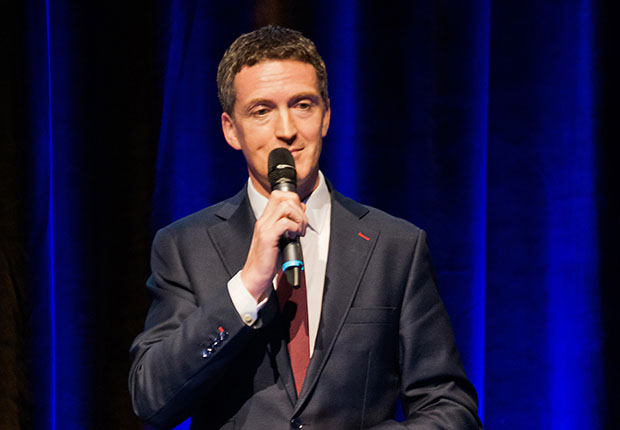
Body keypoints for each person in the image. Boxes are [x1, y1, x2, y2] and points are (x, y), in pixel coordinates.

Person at [129, 25, 482, 429]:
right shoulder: (185, 246)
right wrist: (245, 288)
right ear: (231, 130)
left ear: (326, 115)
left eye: (302, 105)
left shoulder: (394, 246)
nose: (286, 130)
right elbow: (152, 399)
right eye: (261, 111)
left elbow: (449, 406)